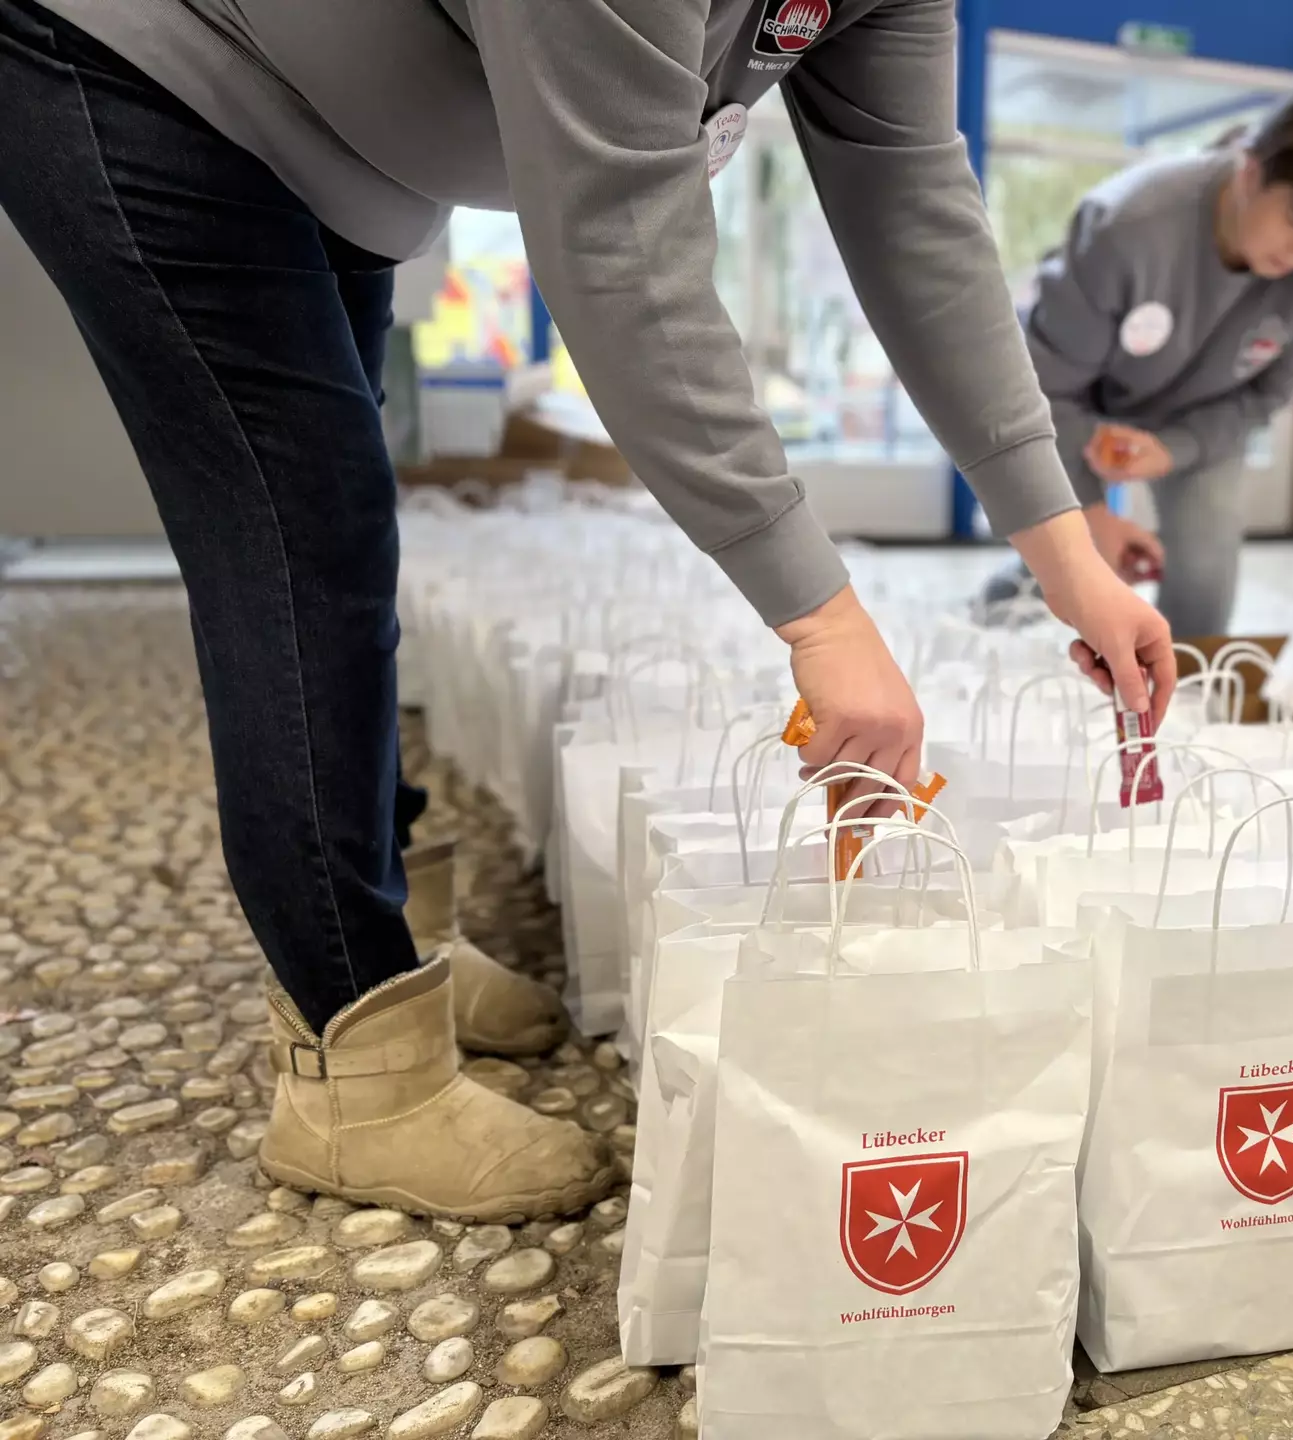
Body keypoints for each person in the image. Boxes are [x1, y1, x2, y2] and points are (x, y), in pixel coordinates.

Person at [0, 0, 1174, 1223]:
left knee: (346, 525)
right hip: (158, 67)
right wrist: (823, 623)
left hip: (333, 148)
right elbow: (620, 243)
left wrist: (1062, 542)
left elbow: (913, 197)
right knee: (302, 531)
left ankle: (386, 936)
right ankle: (358, 1074)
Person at [982, 82, 1293, 638]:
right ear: (1250, 171)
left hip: (1203, 415)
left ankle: (1187, 700)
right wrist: (1090, 512)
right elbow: (1046, 382)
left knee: (1205, 560)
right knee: (1072, 553)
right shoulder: (1128, 224)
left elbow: (1268, 393)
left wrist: (1177, 447)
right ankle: (984, 626)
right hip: (1081, 394)